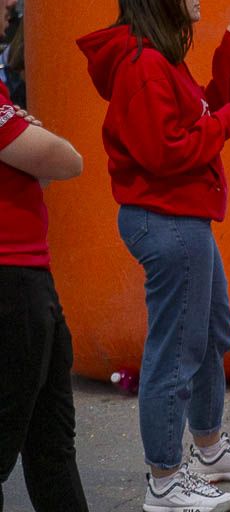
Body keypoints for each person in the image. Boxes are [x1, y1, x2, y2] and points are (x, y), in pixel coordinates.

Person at [77, 0, 230, 512]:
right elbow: (170, 151)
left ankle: (208, 450)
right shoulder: (142, 66)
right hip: (167, 219)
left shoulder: (157, 61)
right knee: (177, 351)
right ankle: (165, 479)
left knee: (208, 335)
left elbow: (200, 112)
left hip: (180, 217)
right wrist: (228, 121)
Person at [0, 81, 88, 511]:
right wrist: (39, 147)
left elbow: (43, 167)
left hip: (28, 273)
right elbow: (61, 160)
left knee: (51, 441)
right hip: (11, 280)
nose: (10, 7)